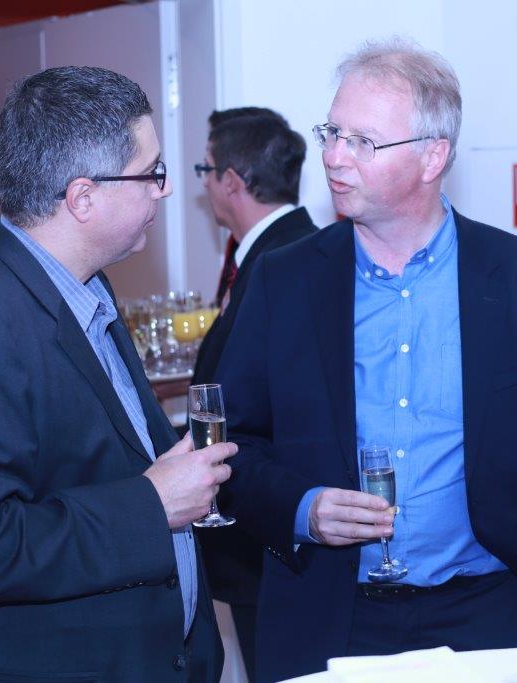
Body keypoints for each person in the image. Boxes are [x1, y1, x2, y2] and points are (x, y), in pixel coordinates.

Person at [215, 39, 517, 681]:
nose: (334, 157)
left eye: (363, 142)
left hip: (491, 619)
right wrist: (303, 508)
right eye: (332, 133)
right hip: (327, 618)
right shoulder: (283, 282)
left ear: (433, 157)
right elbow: (230, 444)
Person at [0, 66, 235, 682]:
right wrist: (152, 505)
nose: (164, 190)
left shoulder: (86, 288)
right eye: (151, 173)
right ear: (82, 198)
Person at [191, 106, 317, 680]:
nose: (202, 185)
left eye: (205, 169)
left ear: (231, 181)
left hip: (270, 541)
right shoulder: (289, 251)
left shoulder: (287, 265)